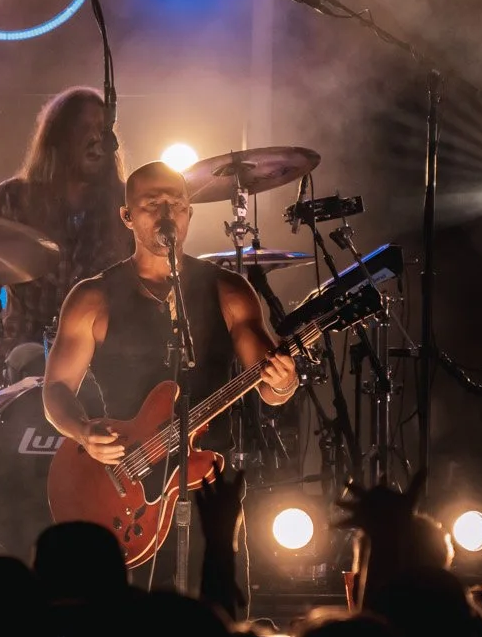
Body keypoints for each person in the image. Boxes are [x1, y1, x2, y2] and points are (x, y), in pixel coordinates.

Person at [41, 161, 299, 586]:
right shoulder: (93, 296)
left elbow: (270, 386)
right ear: (127, 216)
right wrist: (83, 433)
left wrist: (284, 380)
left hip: (210, 480)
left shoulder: (229, 289)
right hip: (127, 481)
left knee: (217, 610)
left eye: (176, 204)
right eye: (151, 204)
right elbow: (56, 390)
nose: (166, 214)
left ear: (189, 213)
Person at [0, 87, 132, 356]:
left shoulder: (125, 202)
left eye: (102, 129)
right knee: (26, 358)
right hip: (25, 354)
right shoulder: (12, 197)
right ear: (58, 137)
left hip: (105, 357)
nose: (96, 138)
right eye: (84, 128)